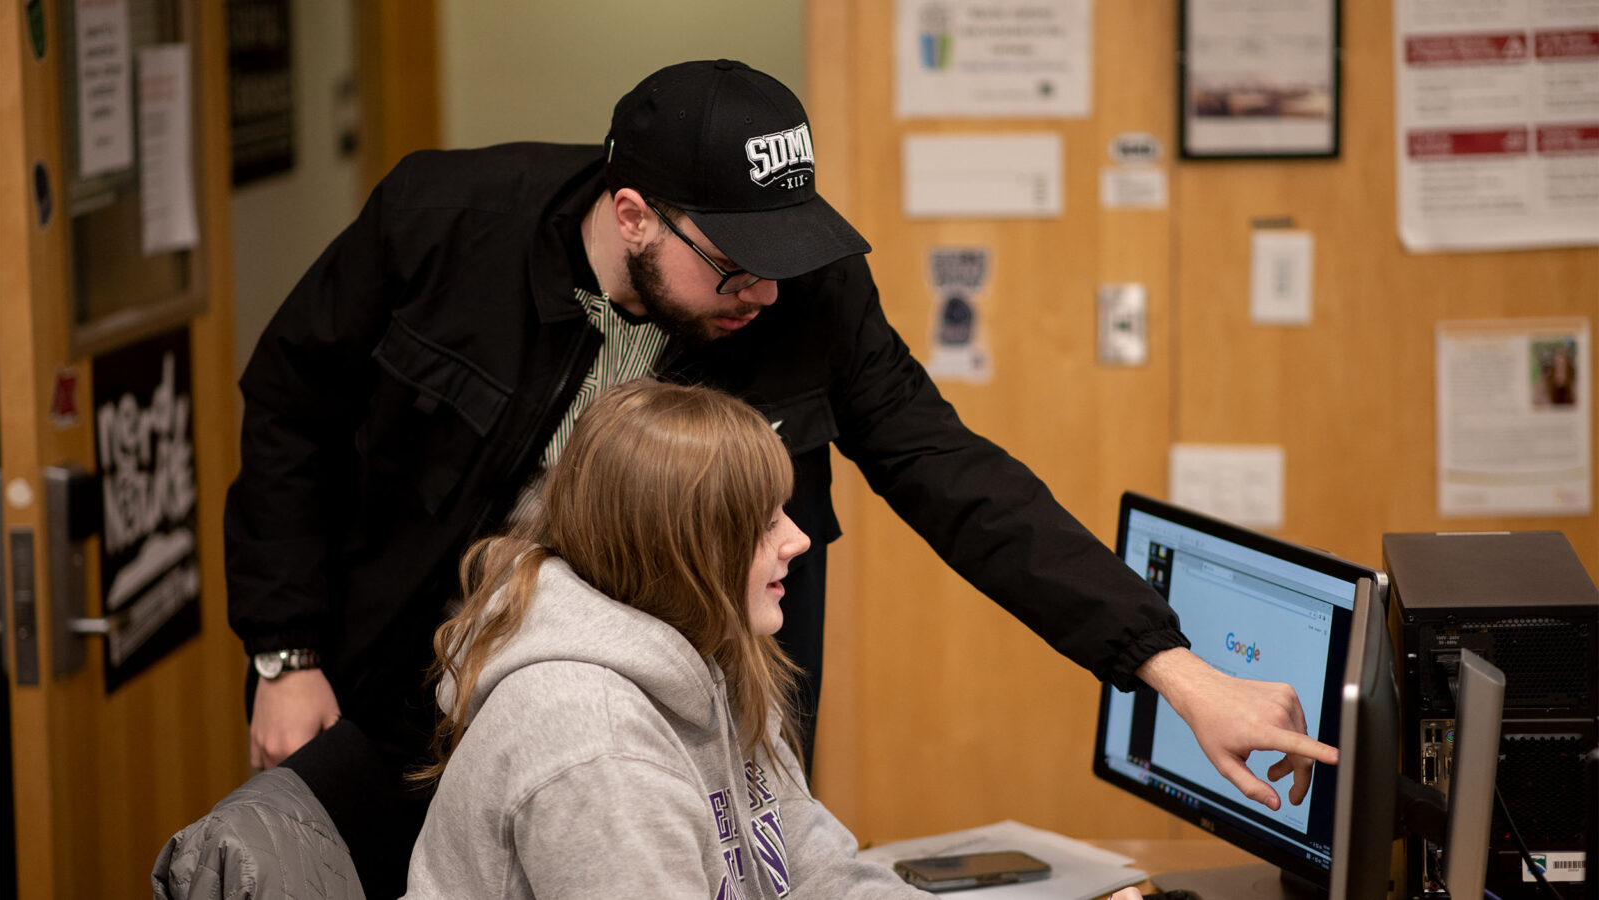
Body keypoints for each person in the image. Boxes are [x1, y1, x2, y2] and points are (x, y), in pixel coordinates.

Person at [225, 58, 1334, 896]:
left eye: (786, 253)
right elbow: (288, 408)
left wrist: (1169, 666)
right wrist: (285, 652)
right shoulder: (441, 222)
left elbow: (947, 470)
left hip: (697, 700)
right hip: (411, 677)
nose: (767, 290)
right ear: (632, 217)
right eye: (736, 263)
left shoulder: (803, 288)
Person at [403, 380, 959, 896]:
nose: (799, 540)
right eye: (765, 524)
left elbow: (820, 871)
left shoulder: (715, 655)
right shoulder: (591, 736)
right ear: (681, 549)